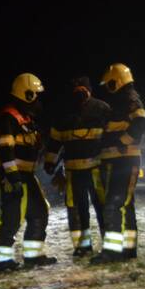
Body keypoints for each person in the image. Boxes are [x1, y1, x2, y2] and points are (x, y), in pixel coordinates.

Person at [0, 73, 57, 271]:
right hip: (12, 176)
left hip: (27, 175)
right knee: (12, 217)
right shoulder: (8, 118)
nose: (38, 100)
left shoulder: (27, 120)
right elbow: (6, 150)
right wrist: (12, 177)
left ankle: (33, 256)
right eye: (35, 95)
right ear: (26, 95)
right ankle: (3, 261)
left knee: (39, 212)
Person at [43, 77, 110, 256]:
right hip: (73, 172)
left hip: (96, 170)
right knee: (78, 211)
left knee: (102, 207)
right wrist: (50, 162)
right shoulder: (63, 113)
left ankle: (109, 246)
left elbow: (110, 137)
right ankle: (83, 246)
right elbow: (55, 141)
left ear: (89, 90)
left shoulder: (102, 109)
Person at [90, 63, 145, 264]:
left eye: (109, 84)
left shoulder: (129, 99)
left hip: (124, 161)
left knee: (113, 205)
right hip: (119, 161)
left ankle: (112, 251)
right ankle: (128, 249)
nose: (107, 88)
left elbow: (141, 123)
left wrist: (120, 141)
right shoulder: (121, 101)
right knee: (125, 205)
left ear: (117, 81)